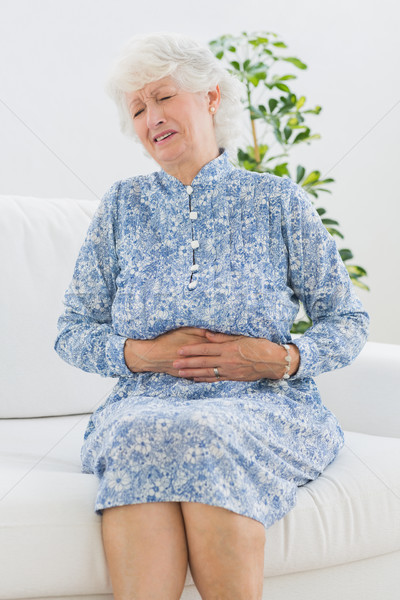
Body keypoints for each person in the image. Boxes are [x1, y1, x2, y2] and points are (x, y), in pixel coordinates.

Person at [54, 32, 369, 600]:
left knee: (209, 430)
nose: (152, 117)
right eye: (138, 108)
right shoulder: (122, 206)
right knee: (143, 432)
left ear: (211, 98)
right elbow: (72, 330)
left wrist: (282, 358)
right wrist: (141, 354)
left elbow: (347, 321)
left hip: (263, 404)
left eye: (164, 96)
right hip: (145, 401)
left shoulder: (278, 200)